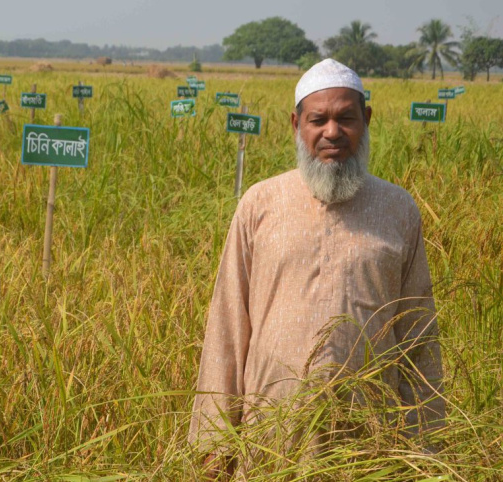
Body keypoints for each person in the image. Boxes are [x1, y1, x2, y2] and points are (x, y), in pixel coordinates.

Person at [188, 59, 445, 476]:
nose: (332, 132)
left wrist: (425, 445)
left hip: (370, 440)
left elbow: (417, 333)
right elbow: (227, 326)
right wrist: (214, 441)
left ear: (367, 120)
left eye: (346, 118)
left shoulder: (398, 209)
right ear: (295, 124)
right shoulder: (260, 203)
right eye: (318, 120)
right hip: (269, 435)